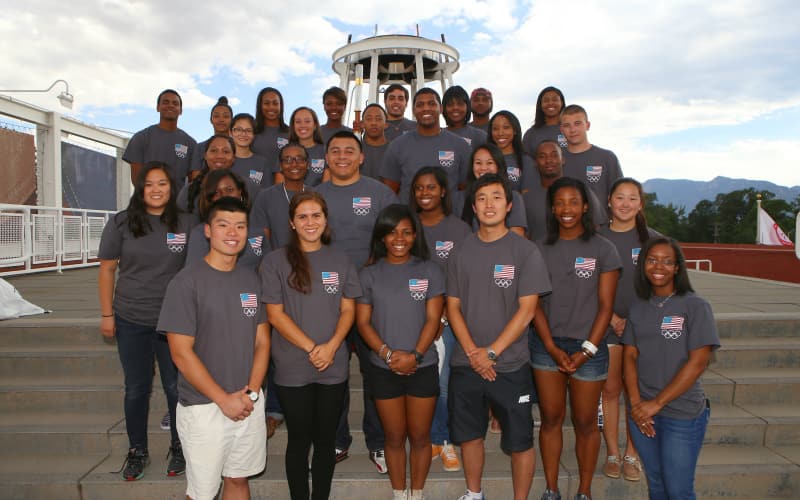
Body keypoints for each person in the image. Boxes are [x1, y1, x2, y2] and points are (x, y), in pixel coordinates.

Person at [158, 196, 269, 500]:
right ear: (207, 230)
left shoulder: (251, 279)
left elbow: (262, 341)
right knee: (202, 494)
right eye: (223, 225)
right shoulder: (185, 283)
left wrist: (251, 394)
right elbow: (181, 353)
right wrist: (223, 399)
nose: (232, 232)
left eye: (240, 226)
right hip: (204, 408)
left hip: (247, 403)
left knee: (238, 480)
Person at [447, 173, 550, 500]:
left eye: (496, 197)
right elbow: (452, 307)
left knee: (520, 441)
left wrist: (491, 353)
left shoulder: (526, 251)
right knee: (470, 436)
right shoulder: (460, 251)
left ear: (508, 206)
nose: (488, 204)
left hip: (510, 364)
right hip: (466, 363)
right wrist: (474, 353)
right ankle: (474, 493)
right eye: (481, 198)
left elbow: (528, 310)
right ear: (473, 207)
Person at [261, 191, 362, 500]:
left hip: (333, 364)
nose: (310, 222)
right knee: (299, 440)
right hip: (293, 365)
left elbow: (349, 310)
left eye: (316, 215)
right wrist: (312, 348)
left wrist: (330, 347)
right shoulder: (275, 261)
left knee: (325, 440)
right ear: (292, 222)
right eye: (302, 216)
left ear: (325, 219)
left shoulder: (341, 260)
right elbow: (275, 315)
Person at [98, 161, 194, 480]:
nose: (156, 190)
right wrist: (107, 314)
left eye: (162, 183)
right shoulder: (122, 222)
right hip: (131, 318)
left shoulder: (186, 222)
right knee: (136, 388)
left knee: (175, 387)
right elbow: (107, 269)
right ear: (140, 188)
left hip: (174, 322)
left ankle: (179, 447)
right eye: (149, 184)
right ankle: (137, 450)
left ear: (172, 187)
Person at [531, 176, 622, 500]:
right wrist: (551, 346)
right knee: (551, 419)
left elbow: (606, 307)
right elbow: (533, 303)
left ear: (585, 207)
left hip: (590, 348)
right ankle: (552, 489)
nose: (566, 208)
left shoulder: (604, 249)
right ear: (552, 209)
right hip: (547, 346)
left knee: (585, 422)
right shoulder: (539, 248)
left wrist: (586, 350)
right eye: (559, 202)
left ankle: (584, 491)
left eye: (573, 202)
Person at [316, 130, 397, 472]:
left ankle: (378, 443)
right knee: (333, 372)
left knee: (375, 371)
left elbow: (394, 240)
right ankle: (338, 440)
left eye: (350, 150)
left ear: (361, 157)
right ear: (326, 158)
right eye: (335, 151)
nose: (342, 156)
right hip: (327, 300)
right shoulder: (314, 196)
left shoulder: (380, 194)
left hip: (371, 299)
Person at [357, 204, 445, 500]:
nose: (399, 239)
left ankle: (416, 494)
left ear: (415, 235)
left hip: (423, 366)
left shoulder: (430, 270)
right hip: (384, 369)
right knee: (394, 437)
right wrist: (388, 355)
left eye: (406, 232)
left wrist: (415, 356)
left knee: (420, 437)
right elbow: (363, 322)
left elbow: (433, 318)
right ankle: (399, 494)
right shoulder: (369, 274)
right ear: (382, 236)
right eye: (393, 232)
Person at [622, 237, 720, 500]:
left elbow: (698, 362)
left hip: (682, 413)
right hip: (642, 412)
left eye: (667, 261)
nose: (659, 267)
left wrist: (656, 404)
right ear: (643, 265)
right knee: (656, 485)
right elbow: (629, 355)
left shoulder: (696, 306)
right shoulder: (637, 307)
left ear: (677, 268)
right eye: (652, 260)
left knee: (678, 491)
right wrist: (636, 405)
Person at [597, 177, 660, 482]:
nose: (625, 204)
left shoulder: (654, 241)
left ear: (641, 204)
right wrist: (612, 319)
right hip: (606, 325)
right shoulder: (596, 238)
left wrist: (634, 322)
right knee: (610, 390)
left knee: (635, 392)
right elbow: (587, 285)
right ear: (609, 201)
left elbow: (664, 288)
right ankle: (612, 452)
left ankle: (633, 453)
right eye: (620, 197)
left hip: (642, 328)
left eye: (632, 198)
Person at [410, 166, 471, 473]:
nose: (425, 193)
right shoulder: (408, 226)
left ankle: (442, 439)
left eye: (431, 187)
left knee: (445, 381)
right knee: (425, 380)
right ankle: (431, 439)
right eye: (419, 188)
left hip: (449, 317)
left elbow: (466, 276)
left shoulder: (459, 229)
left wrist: (444, 314)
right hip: (412, 317)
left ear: (443, 191)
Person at [382, 88, 471, 204]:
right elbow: (390, 192)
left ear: (441, 108)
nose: (426, 108)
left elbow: (465, 188)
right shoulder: (397, 146)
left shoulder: (460, 145)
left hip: (449, 214)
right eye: (420, 105)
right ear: (414, 110)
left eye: (431, 104)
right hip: (409, 214)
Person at [522, 140, 606, 242]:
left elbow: (597, 229)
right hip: (539, 252)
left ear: (562, 159)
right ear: (535, 162)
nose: (548, 160)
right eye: (542, 156)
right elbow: (524, 236)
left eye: (554, 155)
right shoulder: (527, 198)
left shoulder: (582, 191)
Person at [184, 170, 265, 273]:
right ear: (209, 198)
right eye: (216, 192)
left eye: (229, 190)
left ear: (240, 192)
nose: (224, 195)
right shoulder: (200, 234)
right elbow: (194, 275)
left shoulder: (257, 229)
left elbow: (267, 268)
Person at [123, 89, 196, 185]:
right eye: (166, 102)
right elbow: (137, 180)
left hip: (179, 195)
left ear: (181, 110)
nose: (170, 105)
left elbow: (193, 181)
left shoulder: (190, 144)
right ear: (158, 107)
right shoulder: (140, 138)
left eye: (175, 103)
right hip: (148, 195)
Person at [251, 143, 310, 251]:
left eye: (299, 159)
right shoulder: (265, 196)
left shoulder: (316, 195)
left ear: (307, 164)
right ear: (280, 166)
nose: (294, 164)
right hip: (277, 260)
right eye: (287, 160)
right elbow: (262, 240)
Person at [460, 143, 528, 237]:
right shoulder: (460, 198)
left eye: (490, 163)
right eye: (478, 163)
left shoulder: (514, 197)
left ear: (498, 165)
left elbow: (517, 237)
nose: (483, 168)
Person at [561, 104, 623, 203]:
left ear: (587, 125)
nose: (572, 130)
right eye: (567, 125)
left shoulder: (607, 158)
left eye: (577, 124)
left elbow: (620, 196)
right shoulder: (556, 161)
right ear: (561, 130)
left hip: (601, 214)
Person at [177, 135, 236, 220]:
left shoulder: (245, 188)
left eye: (226, 151)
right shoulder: (189, 190)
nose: (219, 156)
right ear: (205, 155)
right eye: (214, 151)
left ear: (234, 157)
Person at [488, 110, 536, 193]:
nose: (500, 133)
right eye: (495, 128)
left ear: (515, 130)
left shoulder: (526, 161)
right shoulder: (484, 158)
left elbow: (527, 194)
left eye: (506, 127)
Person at [189, 97, 234, 181]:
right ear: (211, 120)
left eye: (225, 116)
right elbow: (195, 178)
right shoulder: (200, 147)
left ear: (232, 120)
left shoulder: (238, 146)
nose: (221, 120)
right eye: (216, 116)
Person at [230, 112, 273, 198]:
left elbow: (267, 195)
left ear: (254, 135)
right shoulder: (224, 161)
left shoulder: (262, 162)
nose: (243, 134)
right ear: (230, 132)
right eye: (238, 129)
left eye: (248, 130)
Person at [252, 87, 290, 177]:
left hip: (283, 184)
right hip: (255, 184)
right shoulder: (251, 132)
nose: (271, 107)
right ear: (260, 106)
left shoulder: (290, 133)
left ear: (281, 106)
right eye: (266, 103)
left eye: (275, 103)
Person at [522, 86, 567, 158]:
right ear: (540, 105)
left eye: (555, 99)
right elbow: (525, 161)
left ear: (561, 103)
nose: (550, 103)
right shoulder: (530, 134)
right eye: (546, 100)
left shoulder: (570, 129)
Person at [289, 106, 328, 186]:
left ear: (315, 125)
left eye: (307, 121)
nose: (303, 125)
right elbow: (280, 186)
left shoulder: (325, 152)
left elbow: (326, 187)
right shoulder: (285, 152)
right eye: (298, 122)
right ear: (293, 126)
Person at [360, 103, 389, 180]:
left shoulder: (394, 150)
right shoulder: (355, 149)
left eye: (378, 119)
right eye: (369, 119)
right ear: (362, 124)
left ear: (386, 124)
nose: (373, 123)